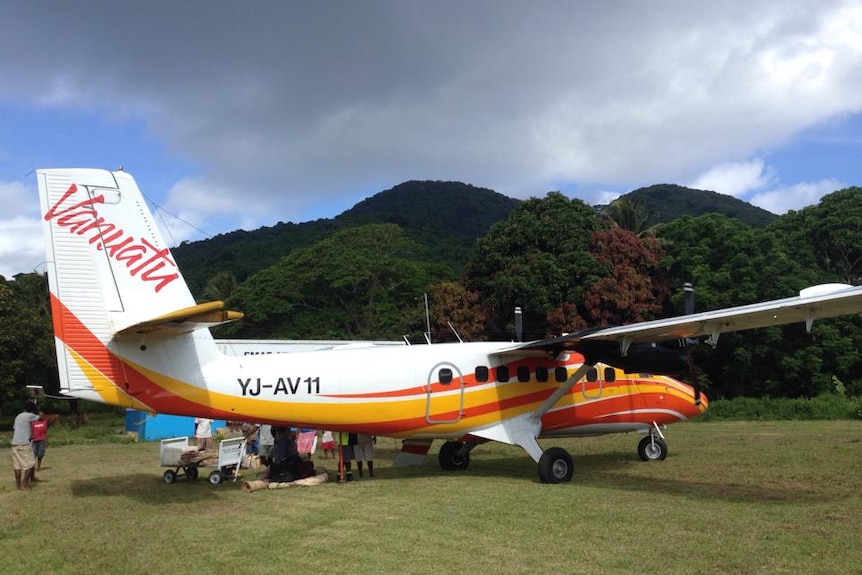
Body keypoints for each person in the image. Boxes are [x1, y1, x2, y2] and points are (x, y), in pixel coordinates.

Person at [11, 401, 40, 490]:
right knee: (30, 464)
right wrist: (37, 411)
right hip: (24, 444)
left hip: (15, 444)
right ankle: (24, 484)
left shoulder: (18, 416)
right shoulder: (29, 415)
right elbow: (40, 417)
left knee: (17, 466)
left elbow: (17, 428)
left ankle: (18, 485)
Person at [31, 412, 49, 477]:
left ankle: (39, 466)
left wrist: (47, 441)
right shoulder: (33, 422)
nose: (41, 417)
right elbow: (31, 431)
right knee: (34, 454)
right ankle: (32, 467)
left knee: (40, 454)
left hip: (42, 439)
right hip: (35, 440)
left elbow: (45, 432)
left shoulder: (44, 422)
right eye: (40, 415)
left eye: (42, 416)